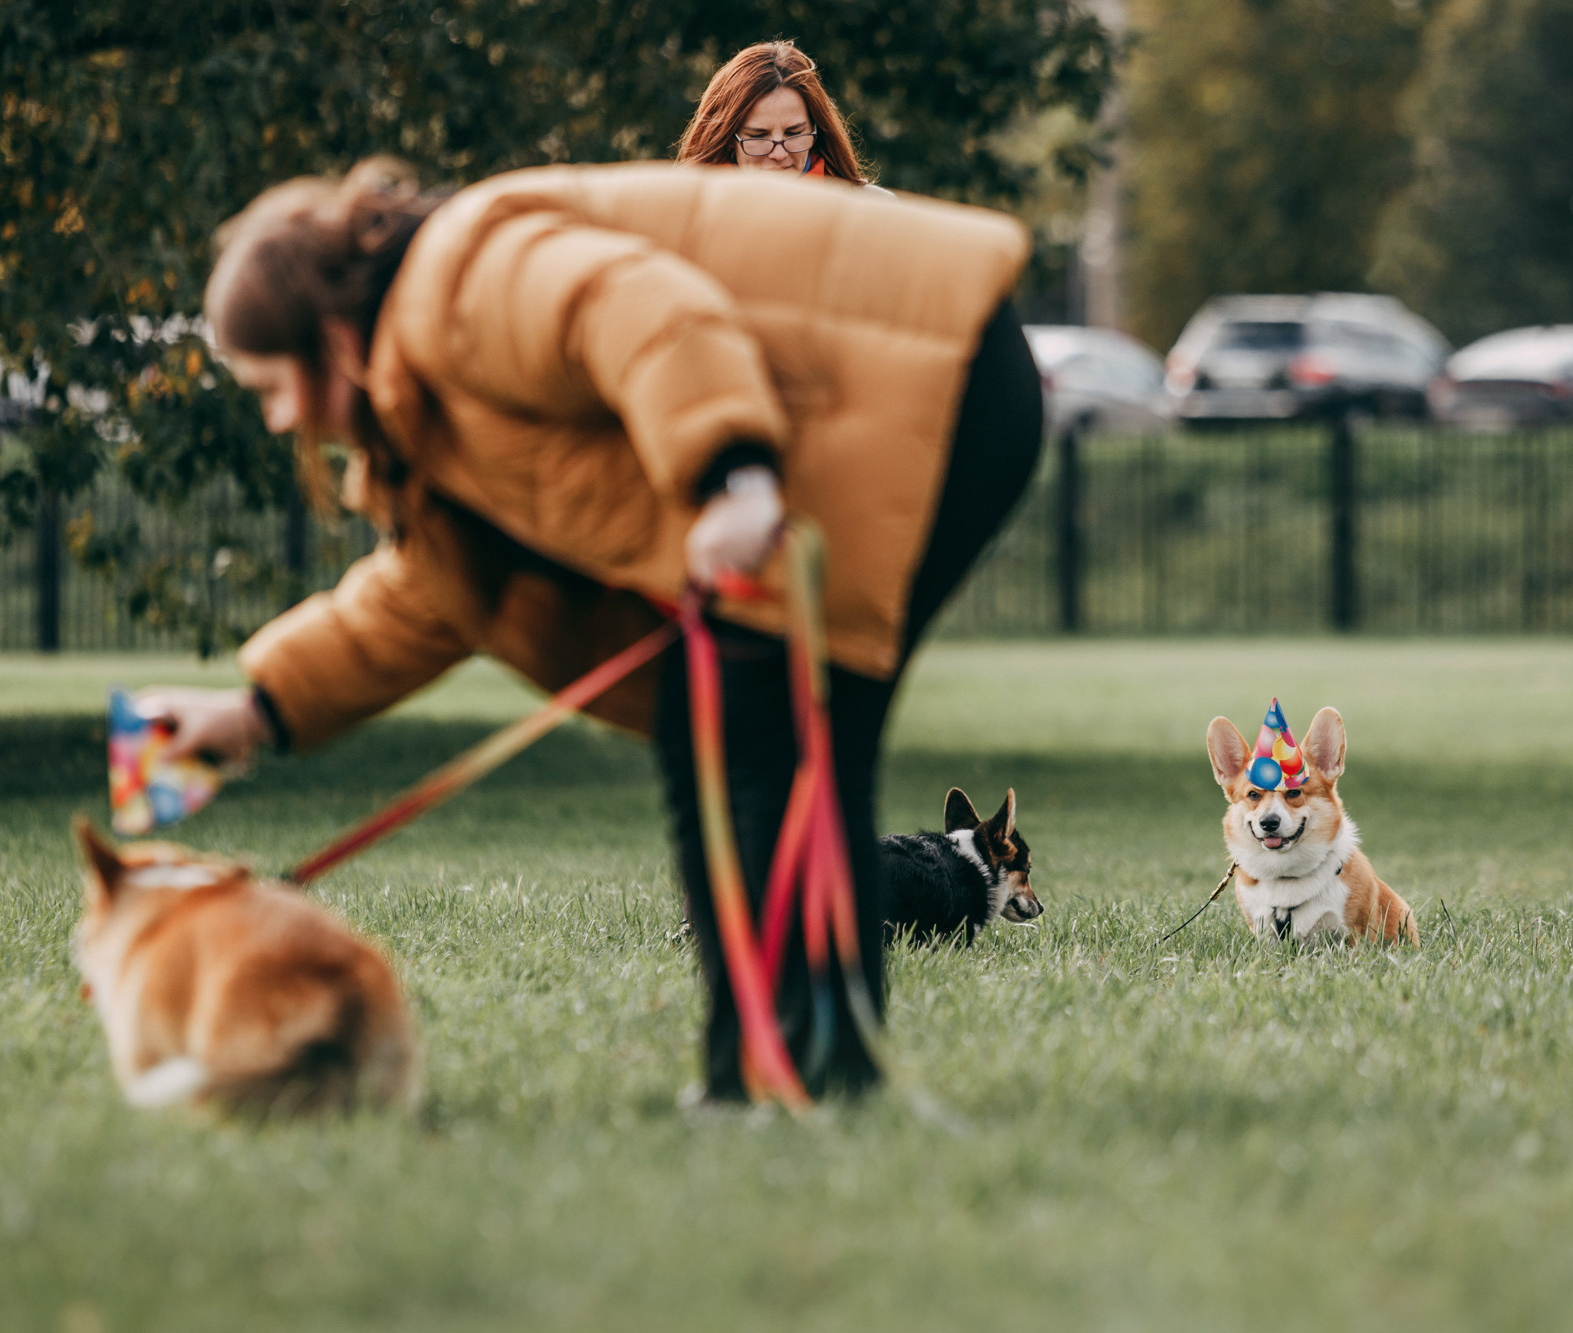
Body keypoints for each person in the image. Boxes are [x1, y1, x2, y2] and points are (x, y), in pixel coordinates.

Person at [144, 154, 1042, 1101]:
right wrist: (254, 709)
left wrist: (731, 475)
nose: (281, 416)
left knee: (761, 742)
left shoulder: (459, 279)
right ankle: (782, 1074)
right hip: (866, 396)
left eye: (269, 386)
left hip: (926, 367)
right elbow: (429, 592)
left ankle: (797, 1077)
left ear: (328, 336)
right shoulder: (424, 406)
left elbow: (641, 309)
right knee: (732, 737)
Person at [675, 40, 872, 185]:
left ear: (817, 130)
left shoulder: (869, 210)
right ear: (727, 140)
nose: (779, 154)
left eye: (794, 133)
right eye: (758, 136)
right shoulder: (685, 217)